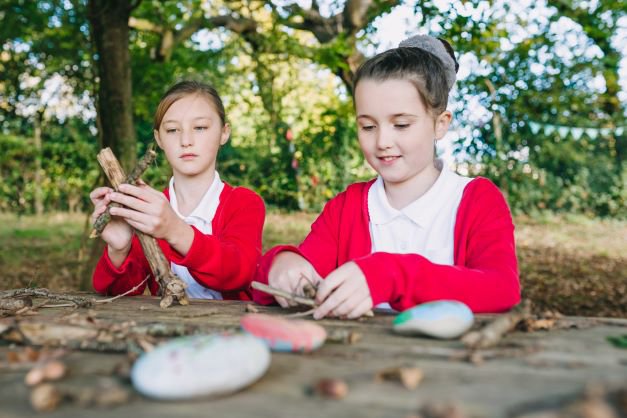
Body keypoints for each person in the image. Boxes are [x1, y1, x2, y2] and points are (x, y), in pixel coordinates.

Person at [253, 35, 520, 318]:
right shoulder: (348, 207)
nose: (382, 141)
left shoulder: (477, 200)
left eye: (401, 124)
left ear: (440, 124)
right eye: (368, 126)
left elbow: (502, 289)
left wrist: (391, 276)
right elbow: (297, 272)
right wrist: (282, 263)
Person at [91, 80, 265, 300]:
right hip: (168, 330)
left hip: (233, 332)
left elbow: (238, 272)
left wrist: (174, 230)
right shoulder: (149, 209)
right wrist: (119, 249)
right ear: (159, 139)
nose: (186, 140)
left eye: (200, 127)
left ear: (224, 132)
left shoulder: (244, 202)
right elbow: (121, 292)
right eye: (173, 130)